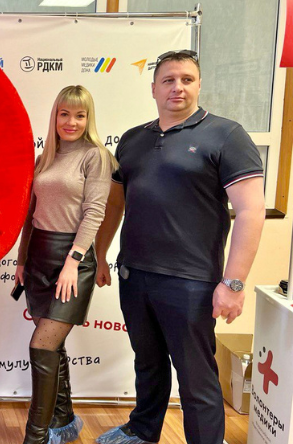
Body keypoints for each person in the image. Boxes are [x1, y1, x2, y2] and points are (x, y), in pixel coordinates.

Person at [94, 50, 265, 444]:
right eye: (168, 80)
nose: (178, 87)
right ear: (154, 88)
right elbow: (115, 204)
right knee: (148, 364)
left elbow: (251, 211)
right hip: (134, 274)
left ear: (199, 85)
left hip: (191, 282)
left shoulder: (227, 135)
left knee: (196, 379)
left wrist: (234, 283)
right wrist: (101, 254)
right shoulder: (133, 140)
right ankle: (142, 430)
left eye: (187, 79)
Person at [15, 85, 117, 444]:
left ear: (88, 118)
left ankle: (36, 437)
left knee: (42, 346)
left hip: (73, 260)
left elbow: (95, 212)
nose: (71, 122)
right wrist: (22, 260)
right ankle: (64, 422)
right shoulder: (44, 157)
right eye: (64, 114)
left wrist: (74, 261)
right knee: (52, 348)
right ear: (55, 116)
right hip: (39, 258)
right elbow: (29, 215)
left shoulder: (96, 156)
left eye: (79, 115)